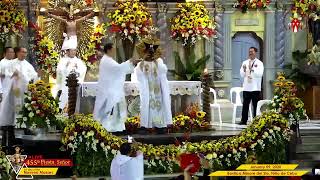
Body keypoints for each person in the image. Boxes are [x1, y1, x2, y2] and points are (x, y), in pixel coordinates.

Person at [93, 43, 140, 133]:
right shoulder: (107, 61)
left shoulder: (108, 60)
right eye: (113, 49)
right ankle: (109, 128)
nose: (114, 51)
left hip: (110, 90)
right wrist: (130, 62)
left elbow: (118, 69)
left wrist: (130, 63)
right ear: (109, 50)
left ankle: (117, 128)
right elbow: (118, 69)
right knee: (110, 110)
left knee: (115, 110)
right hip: (109, 91)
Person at [132, 36, 172, 134]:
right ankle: (144, 126)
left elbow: (163, 71)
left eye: (152, 50)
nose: (150, 52)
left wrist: (154, 61)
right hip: (147, 90)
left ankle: (160, 125)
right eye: (148, 50)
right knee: (146, 106)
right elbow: (138, 74)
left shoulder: (159, 62)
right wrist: (145, 61)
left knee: (158, 107)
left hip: (157, 90)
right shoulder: (141, 64)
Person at [55, 43, 87, 110]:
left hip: (76, 86)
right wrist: (66, 67)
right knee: (64, 101)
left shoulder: (78, 61)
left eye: (74, 50)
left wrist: (77, 70)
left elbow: (83, 70)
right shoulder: (62, 61)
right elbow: (59, 71)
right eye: (72, 50)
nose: (73, 52)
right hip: (65, 86)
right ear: (67, 51)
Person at [239, 47, 264, 125]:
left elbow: (260, 74)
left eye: (252, 51)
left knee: (255, 105)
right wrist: (243, 70)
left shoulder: (259, 63)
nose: (250, 53)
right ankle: (243, 120)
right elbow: (242, 75)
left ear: (255, 53)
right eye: (249, 51)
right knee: (245, 105)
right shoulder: (245, 62)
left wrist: (252, 69)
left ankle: (256, 121)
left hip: (255, 88)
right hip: (246, 87)